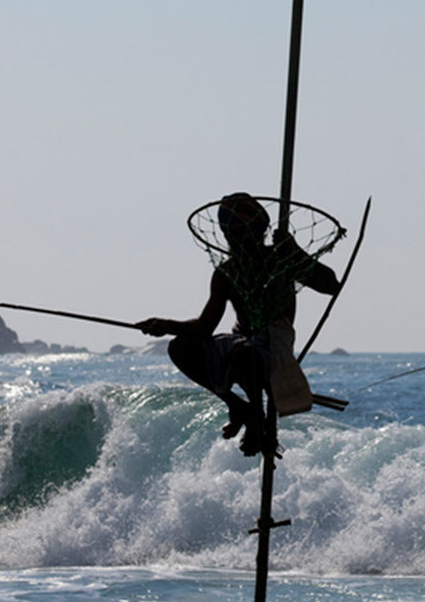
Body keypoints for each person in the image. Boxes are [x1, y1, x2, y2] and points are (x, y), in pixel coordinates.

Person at [137, 193, 340, 456]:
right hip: (240, 343)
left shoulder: (281, 260)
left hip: (274, 344)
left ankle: (257, 422)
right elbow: (204, 326)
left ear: (260, 231)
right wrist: (165, 324)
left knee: (247, 354)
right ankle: (239, 407)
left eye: (243, 233)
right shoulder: (226, 274)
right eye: (230, 235)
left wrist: (295, 252)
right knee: (181, 347)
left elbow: (330, 285)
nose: (237, 240)